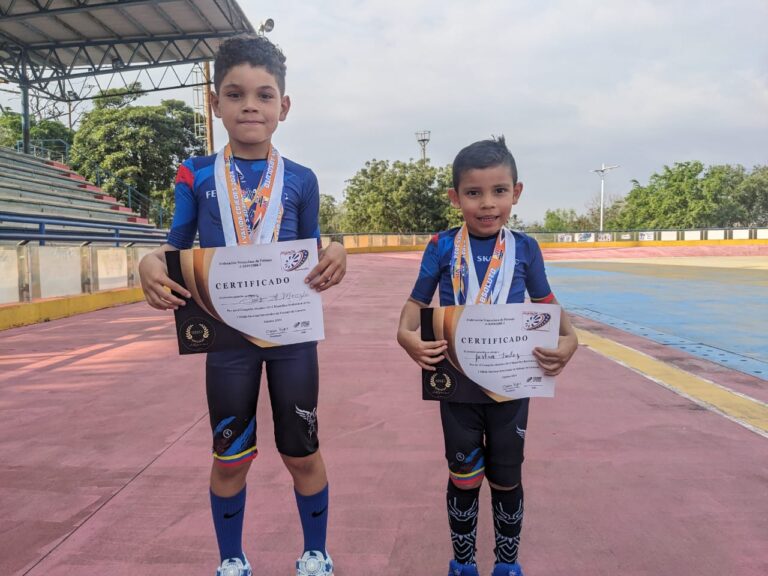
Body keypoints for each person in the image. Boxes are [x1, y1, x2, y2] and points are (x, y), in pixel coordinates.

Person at [138, 35, 344, 576]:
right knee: (230, 456)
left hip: (291, 340)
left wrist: (336, 251)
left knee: (302, 451)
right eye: (235, 94)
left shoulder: (301, 179)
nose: (250, 105)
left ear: (284, 107)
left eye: (264, 94)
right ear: (215, 102)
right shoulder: (194, 173)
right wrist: (147, 266)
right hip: (227, 341)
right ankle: (232, 559)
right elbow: (175, 245)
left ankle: (316, 552)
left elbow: (312, 247)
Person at [396, 136, 578, 576]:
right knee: (463, 477)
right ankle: (462, 563)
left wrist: (571, 341)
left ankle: (507, 565)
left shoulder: (526, 248)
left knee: (506, 477)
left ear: (516, 192)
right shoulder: (441, 245)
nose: (487, 204)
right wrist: (405, 337)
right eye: (474, 193)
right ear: (454, 197)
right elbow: (415, 306)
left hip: (512, 386)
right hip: (456, 386)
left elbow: (548, 302)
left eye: (499, 191)